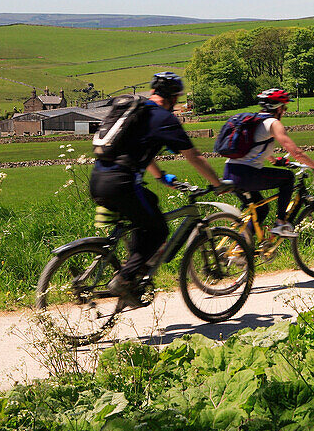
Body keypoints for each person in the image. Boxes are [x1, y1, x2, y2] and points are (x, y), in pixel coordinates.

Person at [90, 71, 226, 307]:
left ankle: (135, 266)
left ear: (153, 91)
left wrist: (160, 176)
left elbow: (143, 150)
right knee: (159, 230)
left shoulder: (138, 112)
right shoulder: (165, 119)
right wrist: (217, 183)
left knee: (148, 205)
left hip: (99, 179)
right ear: (173, 98)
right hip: (122, 183)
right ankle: (124, 279)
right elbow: (194, 156)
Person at [222, 88, 314, 238]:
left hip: (230, 172)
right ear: (278, 108)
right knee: (288, 178)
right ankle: (280, 223)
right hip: (246, 175)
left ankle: (241, 250)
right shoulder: (273, 123)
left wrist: (275, 160)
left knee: (261, 209)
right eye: (284, 107)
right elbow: (296, 152)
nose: (284, 110)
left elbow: (256, 147)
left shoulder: (255, 121)